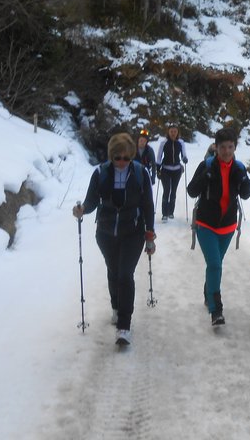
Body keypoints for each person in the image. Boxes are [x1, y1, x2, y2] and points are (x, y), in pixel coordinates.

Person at [72, 132, 156, 346]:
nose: (122, 162)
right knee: (114, 271)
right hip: (106, 233)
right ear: (111, 156)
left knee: (125, 274)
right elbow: (92, 201)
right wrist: (82, 209)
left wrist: (150, 232)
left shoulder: (140, 173)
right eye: (117, 157)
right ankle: (116, 307)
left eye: (126, 157)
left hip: (133, 232)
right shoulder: (100, 173)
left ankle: (124, 325)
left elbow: (147, 205)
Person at [187, 128, 250, 325]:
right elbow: (192, 191)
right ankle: (216, 310)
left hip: (228, 226)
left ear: (235, 147)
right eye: (222, 147)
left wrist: (244, 180)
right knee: (215, 264)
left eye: (230, 147)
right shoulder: (206, 165)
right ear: (216, 147)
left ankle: (209, 292)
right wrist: (205, 177)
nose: (226, 151)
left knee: (215, 264)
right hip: (206, 224)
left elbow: (246, 194)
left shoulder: (239, 168)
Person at [156, 123, 188, 221]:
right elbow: (159, 156)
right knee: (166, 190)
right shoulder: (164, 142)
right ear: (168, 132)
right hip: (165, 169)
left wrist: (185, 158)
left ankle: (171, 212)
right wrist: (158, 169)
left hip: (177, 170)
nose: (173, 133)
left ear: (177, 132)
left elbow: (183, 154)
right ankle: (164, 213)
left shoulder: (181, 142)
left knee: (173, 191)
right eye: (171, 131)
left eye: (175, 131)